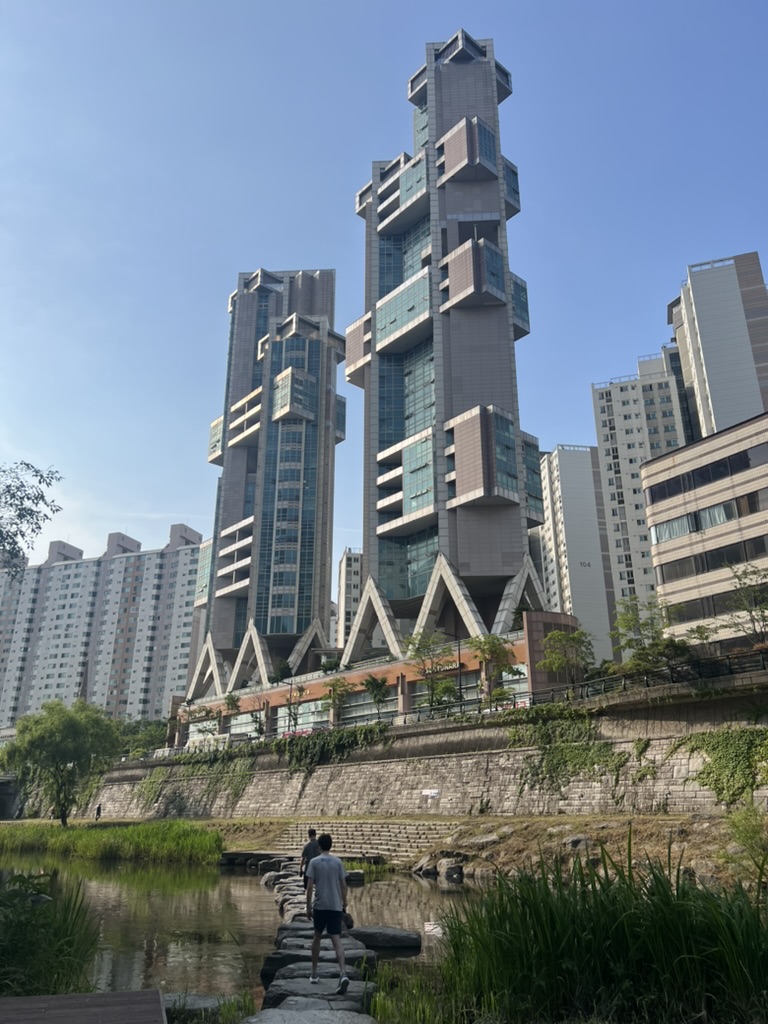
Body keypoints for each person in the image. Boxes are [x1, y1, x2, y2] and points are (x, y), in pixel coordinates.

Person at [305, 832, 350, 994]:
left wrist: (308, 907)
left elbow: (310, 887)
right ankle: (343, 973)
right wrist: (344, 902)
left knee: (317, 937)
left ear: (319, 846)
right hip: (335, 906)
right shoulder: (338, 862)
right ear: (330, 845)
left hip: (320, 905)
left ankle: (314, 973)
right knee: (336, 940)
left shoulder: (314, 862)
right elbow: (343, 885)